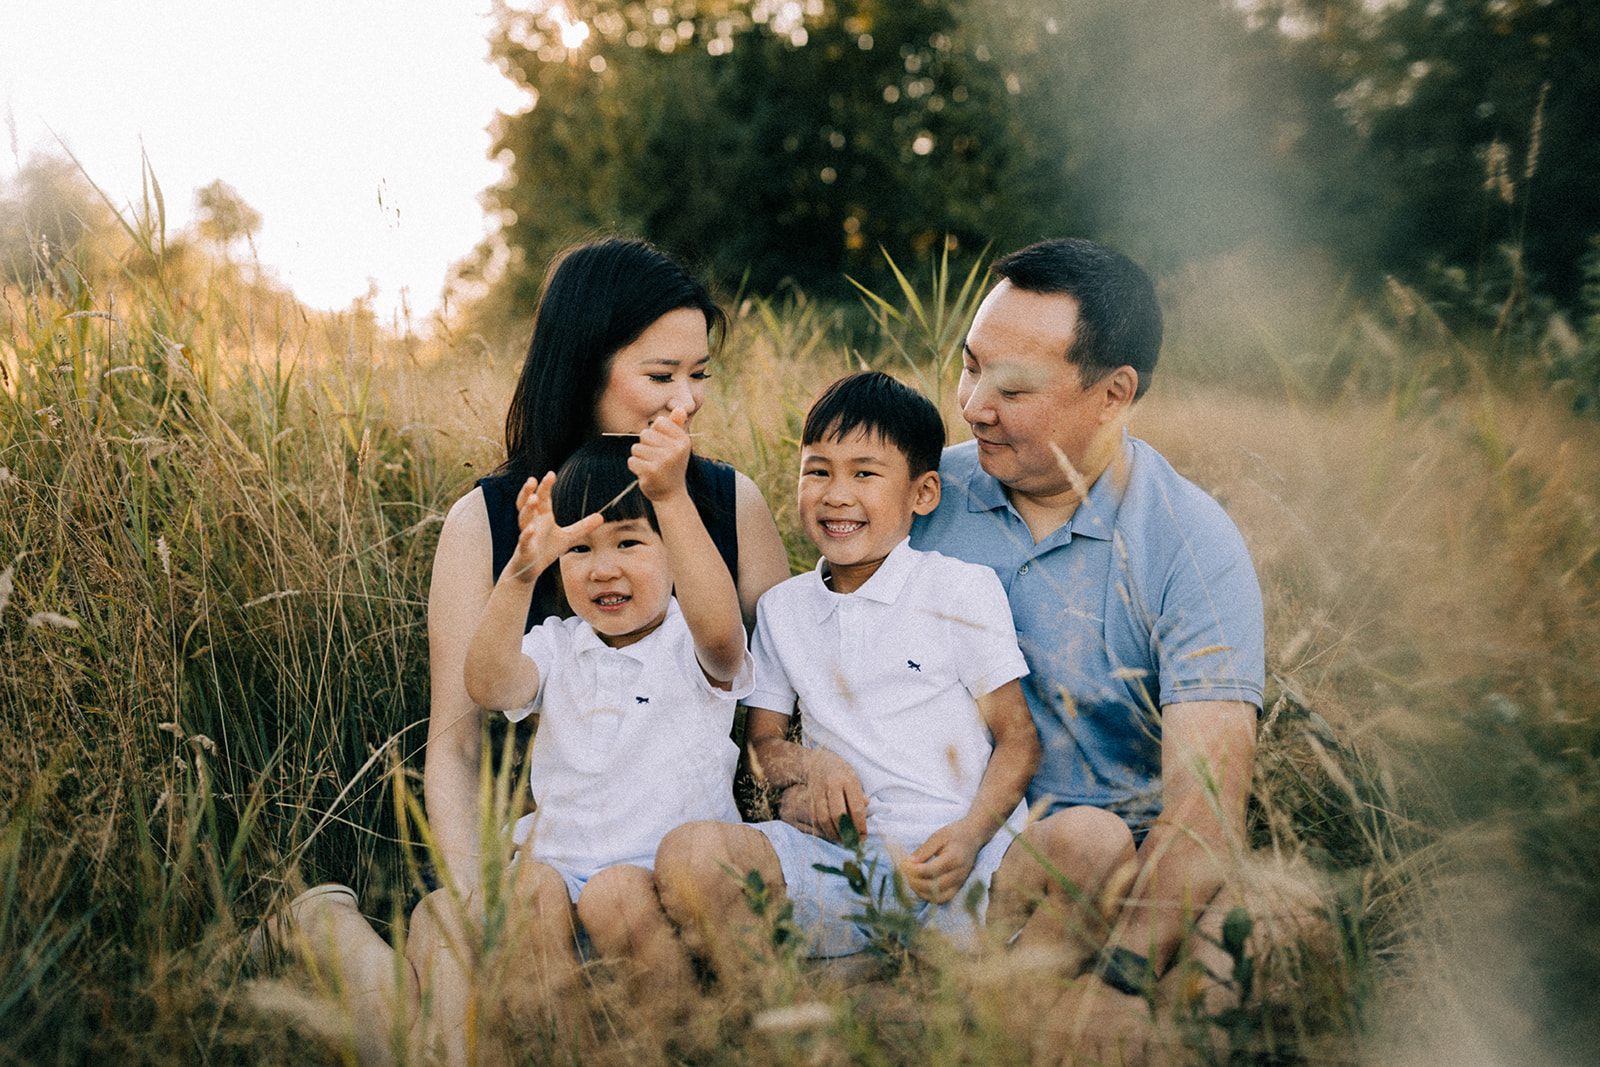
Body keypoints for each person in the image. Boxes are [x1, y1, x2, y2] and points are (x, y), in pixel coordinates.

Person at [258, 238, 790, 1065]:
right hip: (537, 873)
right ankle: (324, 927)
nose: (686, 403)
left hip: (674, 878)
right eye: (661, 376)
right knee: (457, 1048)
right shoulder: (490, 519)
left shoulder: (725, 501)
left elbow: (771, 711)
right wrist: (482, 902)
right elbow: (456, 743)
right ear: (586, 366)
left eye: (700, 375)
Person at [906, 238, 1265, 1057]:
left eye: (1014, 387)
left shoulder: (1190, 542)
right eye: (969, 368)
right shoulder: (920, 498)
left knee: (1242, 968)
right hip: (948, 859)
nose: (972, 406)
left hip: (1115, 881)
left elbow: (1205, 808)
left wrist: (1121, 978)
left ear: (1113, 393)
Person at [654, 371, 1041, 968]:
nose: (836, 495)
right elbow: (763, 742)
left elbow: (1018, 740)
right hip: (837, 861)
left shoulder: (959, 588)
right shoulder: (785, 609)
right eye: (818, 471)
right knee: (690, 854)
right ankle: (793, 1001)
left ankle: (961, 972)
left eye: (864, 473)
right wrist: (810, 764)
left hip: (965, 855)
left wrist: (969, 838)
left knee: (1092, 840)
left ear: (923, 494)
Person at [462, 431, 751, 1005]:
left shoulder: (690, 644)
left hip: (661, 884)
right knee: (522, 890)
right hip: (560, 879)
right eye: (580, 549)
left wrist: (671, 497)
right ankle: (566, 1044)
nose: (602, 570)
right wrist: (521, 571)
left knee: (614, 894)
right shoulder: (558, 645)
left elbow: (722, 638)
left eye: (628, 544)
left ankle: (667, 1038)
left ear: (675, 549)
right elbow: (490, 686)